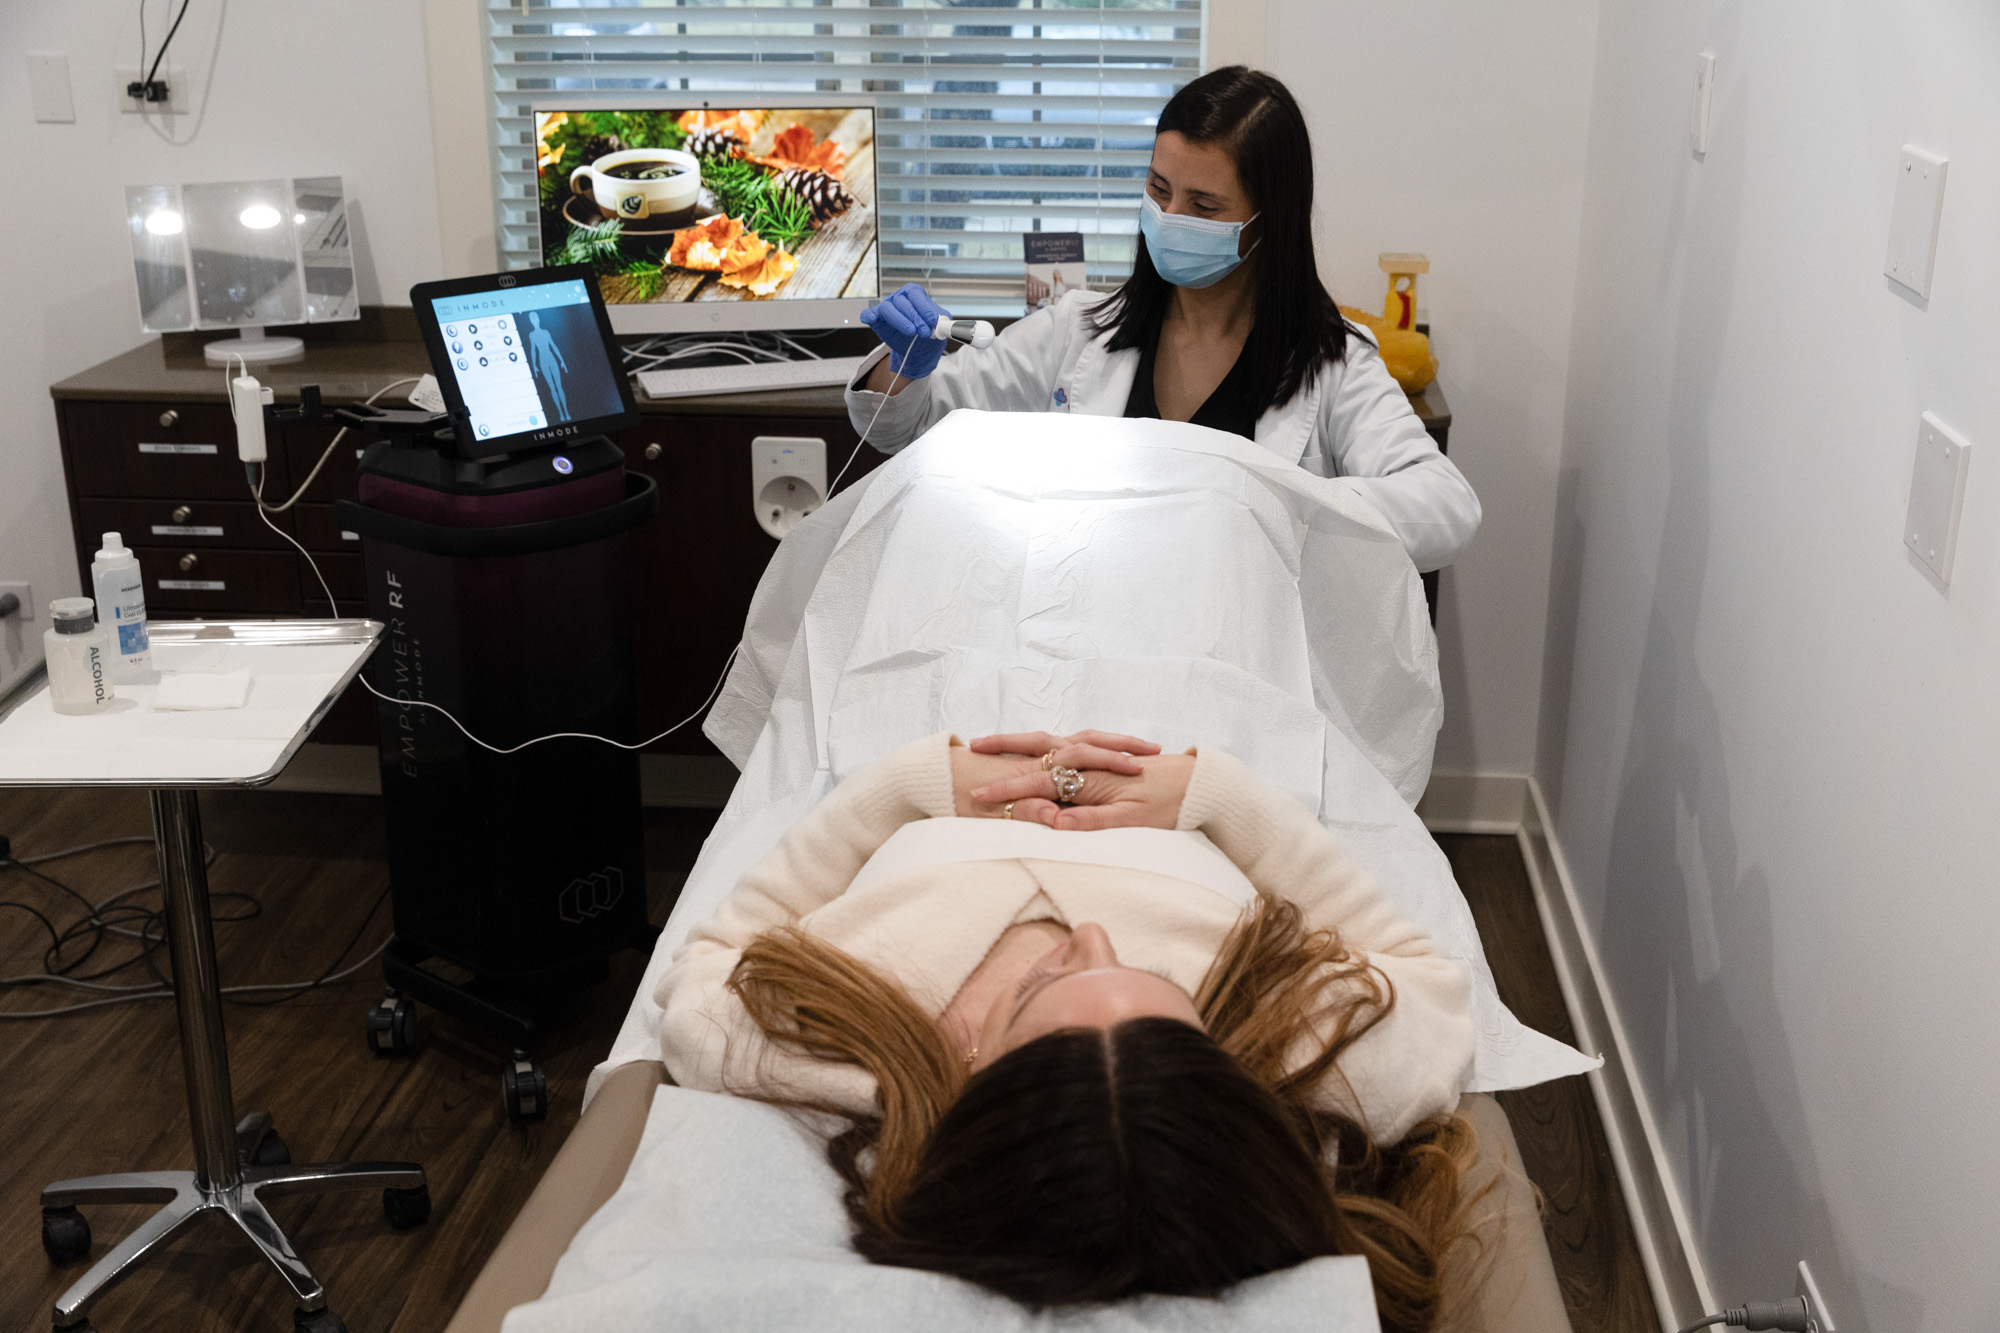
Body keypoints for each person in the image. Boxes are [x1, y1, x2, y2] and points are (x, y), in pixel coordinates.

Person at [657, 729, 1485, 1332]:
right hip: (1172, 758)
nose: (1089, 935)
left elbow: (710, 963)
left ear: (977, 1072)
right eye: (1163, 985)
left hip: (956, 757)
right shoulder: (1300, 1055)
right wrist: (1214, 793)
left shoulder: (847, 1046)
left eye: (1042, 986)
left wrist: (908, 784)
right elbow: (1427, 977)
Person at [845, 66, 1480, 574]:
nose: (1170, 219)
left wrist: (1283, 504)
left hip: (1243, 666)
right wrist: (902, 372)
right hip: (1087, 645)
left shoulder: (1332, 363)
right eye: (1158, 189)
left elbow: (1447, 507)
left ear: (1271, 220)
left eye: (1204, 205)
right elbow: (909, 428)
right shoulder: (1081, 328)